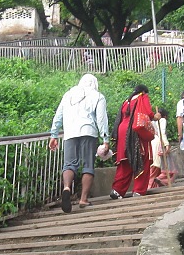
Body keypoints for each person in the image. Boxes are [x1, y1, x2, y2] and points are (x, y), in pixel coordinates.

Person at [48, 74, 110, 212]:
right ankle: (83, 199)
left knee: (69, 164)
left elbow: (58, 116)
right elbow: (101, 119)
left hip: (70, 133)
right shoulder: (98, 96)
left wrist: (54, 135)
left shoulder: (68, 94)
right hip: (89, 132)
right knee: (88, 165)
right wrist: (105, 139)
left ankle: (66, 187)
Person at [111, 84, 153, 198]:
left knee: (125, 161)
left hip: (122, 131)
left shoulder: (126, 101)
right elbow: (148, 113)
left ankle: (117, 190)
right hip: (135, 131)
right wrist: (156, 116)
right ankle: (139, 190)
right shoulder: (142, 97)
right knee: (142, 159)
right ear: (144, 92)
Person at [148, 107, 171, 189]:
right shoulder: (162, 120)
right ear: (165, 116)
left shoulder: (152, 120)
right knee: (156, 166)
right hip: (158, 143)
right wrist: (167, 145)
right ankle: (150, 186)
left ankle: (154, 185)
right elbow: (162, 133)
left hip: (150, 142)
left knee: (153, 166)